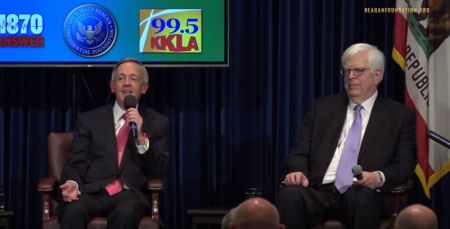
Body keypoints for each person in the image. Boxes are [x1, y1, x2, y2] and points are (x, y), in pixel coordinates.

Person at [278, 43, 417, 229]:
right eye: (347, 71)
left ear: (378, 75)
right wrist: (297, 172)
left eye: (358, 71)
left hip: (363, 193)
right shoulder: (322, 108)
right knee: (291, 195)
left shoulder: (399, 115)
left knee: (359, 196)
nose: (351, 77)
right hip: (318, 191)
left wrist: (379, 177)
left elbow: (405, 164)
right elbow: (298, 153)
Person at [58, 58, 170, 229]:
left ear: (144, 87)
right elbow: (76, 160)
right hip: (92, 191)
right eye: (121, 78)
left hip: (129, 194)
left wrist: (141, 139)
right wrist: (72, 183)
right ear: (112, 86)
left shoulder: (157, 123)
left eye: (133, 78)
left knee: (125, 212)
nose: (126, 83)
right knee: (74, 210)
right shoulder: (89, 120)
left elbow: (159, 170)